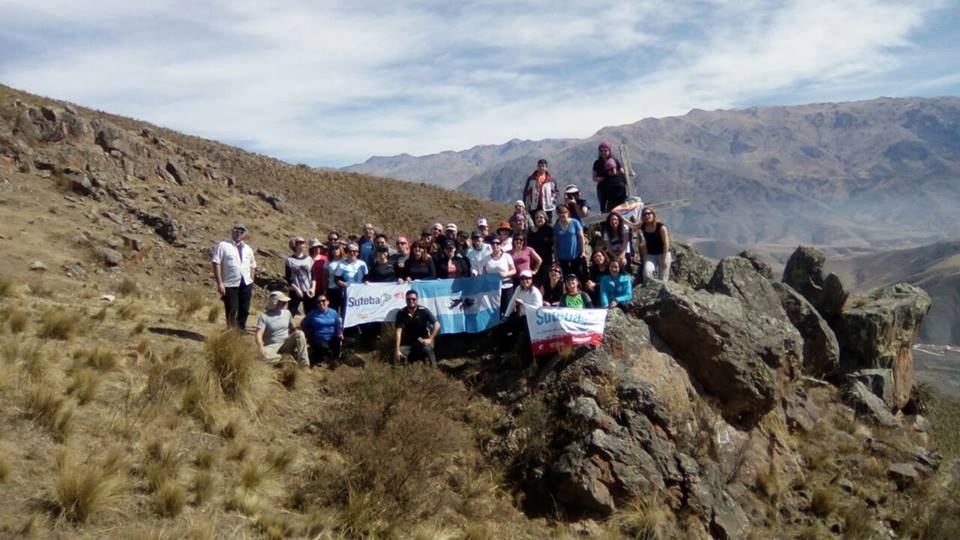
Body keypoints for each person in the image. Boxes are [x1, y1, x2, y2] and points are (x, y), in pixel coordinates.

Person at [211, 224, 257, 330]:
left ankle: (240, 331)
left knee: (244, 310)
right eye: (236, 231)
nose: (239, 233)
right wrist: (220, 283)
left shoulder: (248, 249)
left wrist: (251, 280)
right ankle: (231, 332)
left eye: (241, 232)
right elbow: (216, 263)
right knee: (232, 309)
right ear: (232, 231)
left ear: (244, 234)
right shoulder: (223, 245)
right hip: (230, 283)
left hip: (246, 283)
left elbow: (253, 265)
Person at [255, 291, 309, 367]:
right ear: (275, 302)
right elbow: (258, 334)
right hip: (272, 346)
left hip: (286, 343)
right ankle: (286, 358)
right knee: (260, 358)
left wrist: (301, 339)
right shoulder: (264, 316)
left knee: (300, 333)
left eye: (285, 302)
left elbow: (292, 329)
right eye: (283, 302)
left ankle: (304, 364)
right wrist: (260, 347)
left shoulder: (287, 313)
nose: (285, 303)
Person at [394, 290, 441, 363]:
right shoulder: (401, 313)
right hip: (409, 342)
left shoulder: (423, 310)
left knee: (427, 348)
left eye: (413, 299)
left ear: (417, 299)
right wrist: (397, 350)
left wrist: (430, 339)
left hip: (422, 340)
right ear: (406, 300)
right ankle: (411, 365)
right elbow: (398, 332)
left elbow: (437, 324)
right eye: (408, 299)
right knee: (399, 353)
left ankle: (433, 367)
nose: (411, 301)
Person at [300, 294, 343, 366]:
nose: (321, 303)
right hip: (318, 339)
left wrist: (340, 334)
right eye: (318, 302)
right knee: (324, 348)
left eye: (323, 301)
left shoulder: (333, 312)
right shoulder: (312, 314)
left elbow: (338, 325)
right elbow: (303, 324)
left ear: (328, 302)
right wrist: (307, 335)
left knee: (341, 343)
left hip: (332, 338)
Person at [481, 237, 517, 317]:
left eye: (497, 243)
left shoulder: (507, 256)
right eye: (493, 243)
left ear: (501, 245)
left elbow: (514, 270)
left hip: (506, 286)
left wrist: (506, 274)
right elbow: (484, 274)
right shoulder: (486, 259)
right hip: (492, 288)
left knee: (507, 308)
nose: (495, 245)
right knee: (495, 309)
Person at [553, 205, 587, 282]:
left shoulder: (575, 222)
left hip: (576, 255)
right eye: (560, 213)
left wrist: (583, 251)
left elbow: (581, 237)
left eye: (564, 212)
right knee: (566, 277)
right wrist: (556, 257)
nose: (562, 214)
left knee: (579, 275)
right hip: (562, 257)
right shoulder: (556, 227)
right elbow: (555, 243)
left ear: (568, 212)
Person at [639, 208, 672, 282]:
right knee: (647, 272)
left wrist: (664, 258)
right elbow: (633, 226)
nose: (647, 216)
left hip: (663, 254)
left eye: (649, 213)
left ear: (653, 215)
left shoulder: (661, 227)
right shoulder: (642, 228)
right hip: (650, 255)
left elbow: (666, 243)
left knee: (663, 278)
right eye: (644, 214)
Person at [284, 236, 313, 316]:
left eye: (304, 242)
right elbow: (288, 277)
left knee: (310, 313)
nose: (303, 244)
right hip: (295, 291)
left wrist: (313, 288)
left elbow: (313, 275)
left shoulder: (309, 259)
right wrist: (297, 289)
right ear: (295, 245)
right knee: (291, 313)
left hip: (308, 290)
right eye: (301, 242)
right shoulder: (289, 260)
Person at [335, 243, 368, 309]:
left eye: (355, 251)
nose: (352, 253)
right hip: (348, 292)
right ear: (347, 252)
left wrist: (366, 281)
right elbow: (336, 279)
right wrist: (342, 283)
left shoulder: (362, 263)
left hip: (360, 292)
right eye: (350, 251)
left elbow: (366, 277)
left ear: (358, 253)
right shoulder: (341, 264)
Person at [592, 141, 623, 212]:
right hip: (602, 188)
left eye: (605, 150)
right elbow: (594, 177)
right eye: (601, 151)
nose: (603, 152)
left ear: (609, 151)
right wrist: (599, 179)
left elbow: (622, 171)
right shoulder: (597, 163)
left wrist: (628, 174)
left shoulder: (615, 161)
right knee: (603, 207)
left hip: (615, 186)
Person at [527, 211, 554, 287]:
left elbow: (554, 244)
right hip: (534, 261)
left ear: (545, 219)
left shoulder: (550, 230)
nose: (539, 219)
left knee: (546, 281)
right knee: (536, 282)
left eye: (541, 217)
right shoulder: (531, 231)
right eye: (537, 218)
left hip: (546, 260)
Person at [306, 238, 327, 313]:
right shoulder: (307, 259)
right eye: (314, 247)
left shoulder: (325, 258)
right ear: (311, 248)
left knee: (323, 306)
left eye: (318, 247)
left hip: (323, 286)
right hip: (311, 286)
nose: (317, 249)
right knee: (311, 307)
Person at [324, 242, 344, 311]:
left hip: (343, 289)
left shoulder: (345, 261)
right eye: (333, 249)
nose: (335, 251)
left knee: (344, 310)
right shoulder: (328, 262)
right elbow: (325, 277)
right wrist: (325, 289)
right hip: (331, 289)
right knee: (333, 310)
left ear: (340, 249)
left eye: (337, 248)